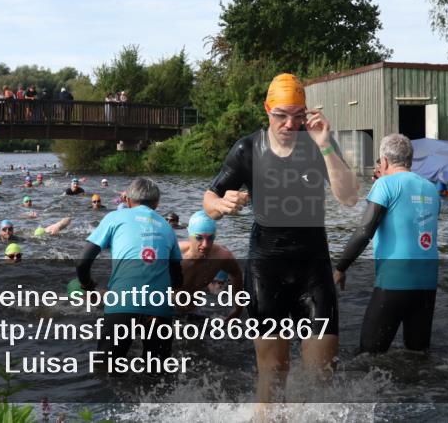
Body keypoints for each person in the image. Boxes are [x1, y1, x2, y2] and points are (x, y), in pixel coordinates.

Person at [203, 73, 358, 402]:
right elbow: (209, 201)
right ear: (267, 110)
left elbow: (349, 197)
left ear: (307, 113)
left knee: (322, 378)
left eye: (298, 115)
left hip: (313, 270)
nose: (290, 124)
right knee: (273, 378)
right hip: (266, 270)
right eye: (281, 115)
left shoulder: (318, 144)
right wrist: (221, 204)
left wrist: (326, 144)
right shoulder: (248, 148)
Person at [333, 134, 441, 354]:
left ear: (383, 162)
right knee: (417, 353)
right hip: (428, 282)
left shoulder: (385, 184)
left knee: (369, 355)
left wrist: (340, 267)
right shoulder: (432, 188)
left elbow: (365, 232)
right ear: (409, 160)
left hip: (395, 281)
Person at [76, 178, 183, 370]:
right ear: (157, 203)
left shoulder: (114, 218)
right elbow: (177, 277)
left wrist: (88, 287)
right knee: (158, 377)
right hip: (159, 308)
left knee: (107, 374)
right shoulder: (167, 227)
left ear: (128, 201)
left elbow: (83, 262)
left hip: (122, 304)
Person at [178, 211, 243, 319]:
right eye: (199, 238)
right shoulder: (174, 254)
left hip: (195, 311)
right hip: (168, 309)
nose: (205, 245)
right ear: (189, 235)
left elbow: (236, 274)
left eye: (210, 238)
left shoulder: (222, 256)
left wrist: (238, 309)